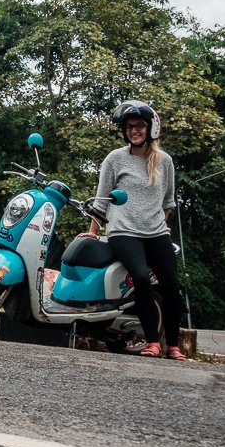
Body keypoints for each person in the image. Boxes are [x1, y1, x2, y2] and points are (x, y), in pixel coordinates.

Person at [84, 100, 188, 360]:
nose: (134, 131)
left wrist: (159, 228)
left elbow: (168, 203)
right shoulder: (115, 159)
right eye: (130, 127)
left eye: (139, 126)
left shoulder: (164, 162)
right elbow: (102, 199)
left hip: (155, 231)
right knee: (140, 277)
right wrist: (93, 232)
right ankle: (152, 341)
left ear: (151, 128)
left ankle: (172, 345)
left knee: (171, 285)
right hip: (123, 230)